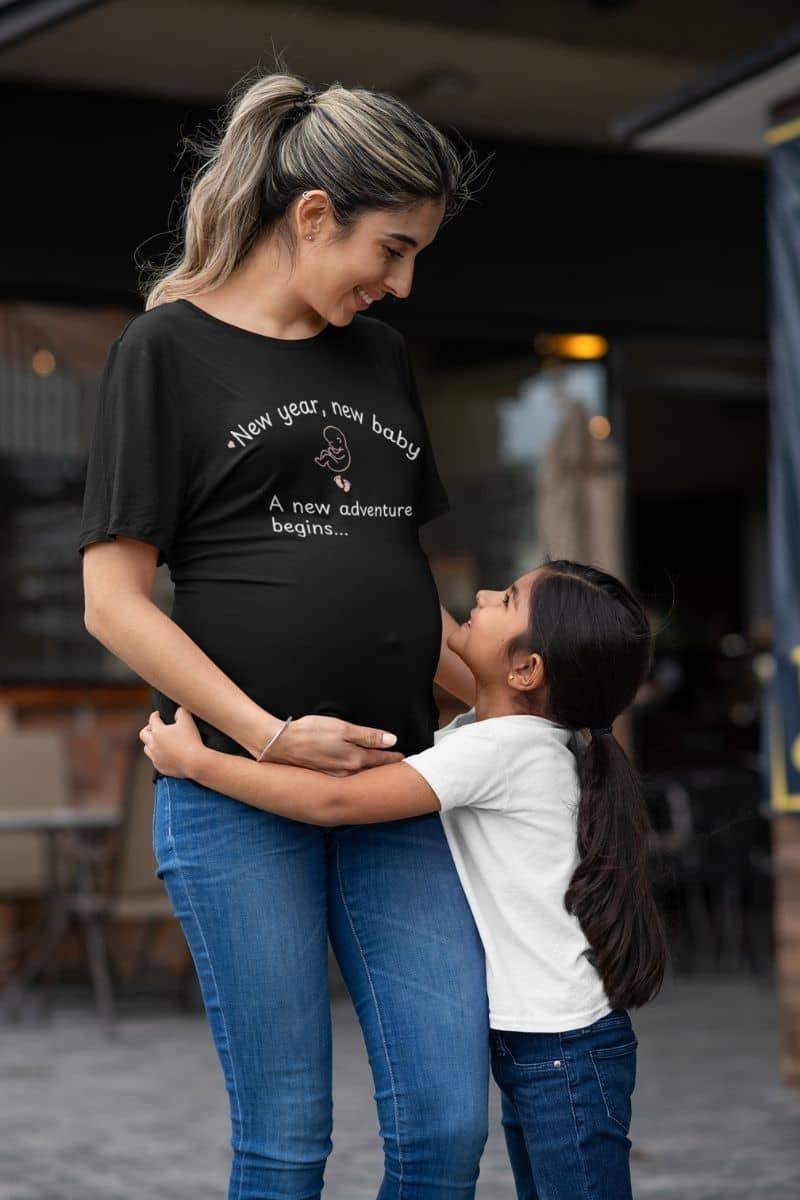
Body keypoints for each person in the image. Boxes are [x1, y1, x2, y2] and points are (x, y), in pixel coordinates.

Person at [80, 72, 488, 1200]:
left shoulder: (381, 361)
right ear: (312, 215)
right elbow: (111, 603)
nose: (399, 284)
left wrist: (515, 706)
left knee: (449, 1121)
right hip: (231, 797)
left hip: (397, 786)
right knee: (284, 1138)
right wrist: (267, 737)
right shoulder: (164, 351)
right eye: (390, 249)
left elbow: (398, 576)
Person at [141, 559, 668, 1200]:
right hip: (554, 1043)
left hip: (561, 1051)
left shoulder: (500, 751)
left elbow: (334, 804)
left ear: (527, 670)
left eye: (505, 599)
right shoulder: (498, 739)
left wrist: (198, 763)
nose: (479, 595)